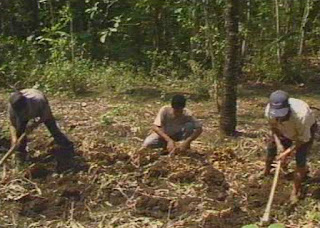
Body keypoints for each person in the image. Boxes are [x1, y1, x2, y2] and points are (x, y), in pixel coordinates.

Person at [264, 90, 317, 203]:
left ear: (288, 107)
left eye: (281, 114)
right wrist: (279, 145)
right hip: (282, 130)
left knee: (300, 160)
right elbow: (273, 128)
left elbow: (302, 139)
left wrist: (287, 152)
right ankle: (266, 172)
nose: (279, 118)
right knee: (271, 149)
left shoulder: (302, 116)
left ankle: (295, 192)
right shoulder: (269, 111)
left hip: (303, 134)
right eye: (276, 115)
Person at [8, 88, 75, 172]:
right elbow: (12, 124)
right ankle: (20, 157)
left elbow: (45, 116)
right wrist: (14, 139)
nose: (22, 113)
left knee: (53, 129)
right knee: (19, 133)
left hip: (41, 111)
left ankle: (67, 147)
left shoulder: (38, 101)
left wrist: (34, 124)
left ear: (26, 106)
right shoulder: (12, 107)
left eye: (23, 111)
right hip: (25, 114)